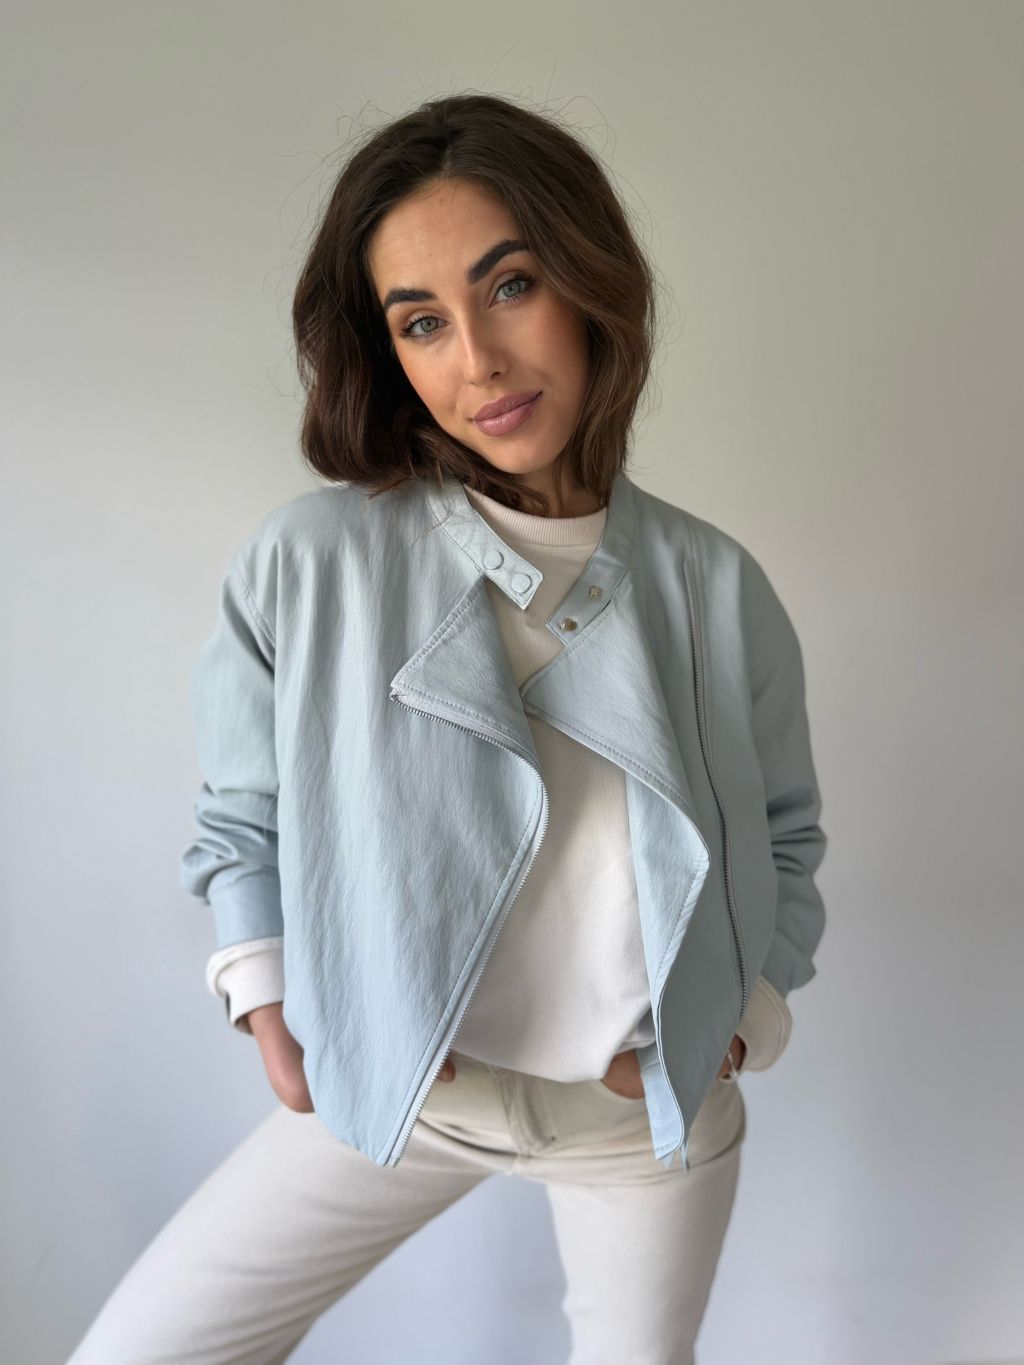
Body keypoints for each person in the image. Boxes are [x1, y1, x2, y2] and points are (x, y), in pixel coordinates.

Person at [68, 92, 826, 1365]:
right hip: (403, 1084)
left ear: (589, 282)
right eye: (421, 321)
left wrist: (741, 1015)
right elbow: (243, 815)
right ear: (389, 353)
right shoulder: (314, 563)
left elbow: (784, 835)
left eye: (510, 285)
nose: (476, 358)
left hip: (639, 1124)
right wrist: (267, 1004)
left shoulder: (713, 585)